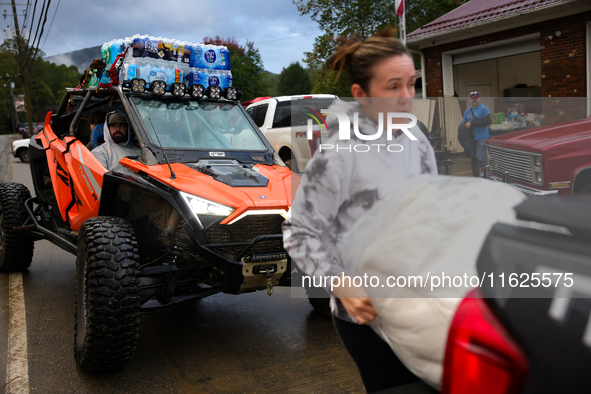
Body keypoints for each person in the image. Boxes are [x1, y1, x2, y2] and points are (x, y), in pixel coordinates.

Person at [286, 29, 437, 392]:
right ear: (360, 93)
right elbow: (298, 232)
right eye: (393, 87)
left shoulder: (417, 139)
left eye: (412, 84)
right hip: (367, 315)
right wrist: (341, 285)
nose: (407, 98)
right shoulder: (337, 156)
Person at [462, 92, 491, 177]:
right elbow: (463, 124)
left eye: (476, 98)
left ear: (479, 99)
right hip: (472, 138)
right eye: (473, 98)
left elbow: (487, 121)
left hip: (482, 137)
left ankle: (487, 177)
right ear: (470, 100)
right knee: (473, 160)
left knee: (480, 157)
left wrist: (472, 124)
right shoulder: (467, 112)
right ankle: (476, 179)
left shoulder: (484, 109)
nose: (474, 100)